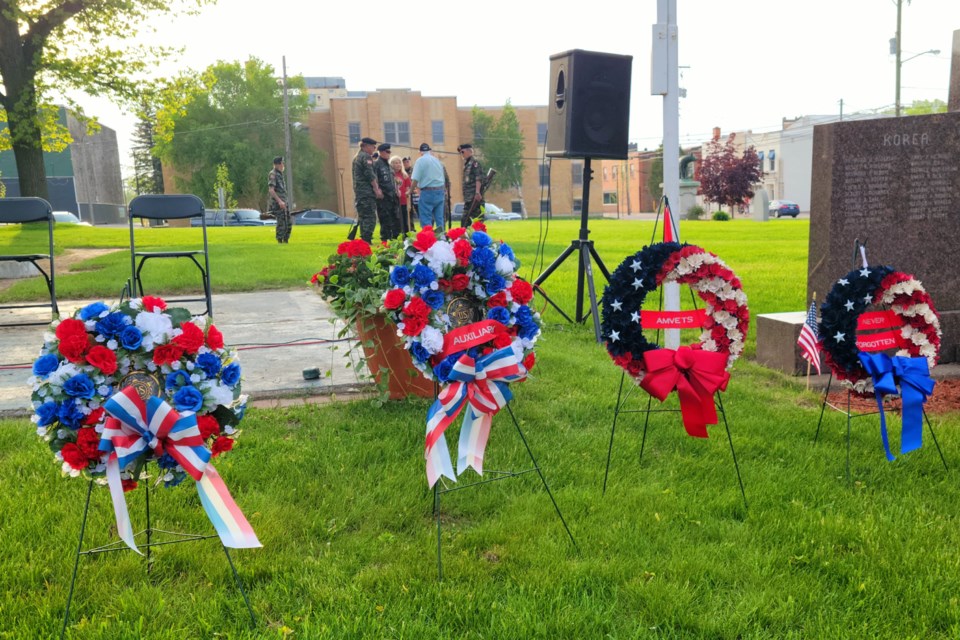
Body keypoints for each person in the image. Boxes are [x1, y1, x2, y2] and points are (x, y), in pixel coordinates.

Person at [350, 137, 382, 243]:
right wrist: (376, 189)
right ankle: (367, 238)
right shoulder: (366, 157)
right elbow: (370, 175)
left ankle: (364, 238)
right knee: (370, 217)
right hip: (366, 192)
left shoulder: (357, 157)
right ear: (366, 146)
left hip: (359, 192)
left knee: (363, 217)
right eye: (373, 147)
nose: (374, 149)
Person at [410, 143, 445, 229]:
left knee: (426, 218)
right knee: (439, 218)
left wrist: (410, 191)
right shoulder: (437, 160)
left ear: (420, 152)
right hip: (440, 191)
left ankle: (428, 238)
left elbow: (415, 179)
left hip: (428, 192)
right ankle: (442, 239)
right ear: (429, 151)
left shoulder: (420, 161)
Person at [375, 143, 400, 240]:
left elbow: (393, 179)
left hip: (392, 196)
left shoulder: (389, 166)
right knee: (385, 220)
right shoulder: (376, 164)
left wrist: (397, 189)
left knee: (395, 220)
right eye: (387, 151)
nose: (389, 153)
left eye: (390, 152)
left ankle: (394, 239)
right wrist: (377, 190)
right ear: (381, 152)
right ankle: (385, 240)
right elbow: (374, 178)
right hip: (383, 197)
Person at [458, 143, 484, 228]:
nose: (461, 154)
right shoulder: (467, 164)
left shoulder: (474, 163)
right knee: (465, 222)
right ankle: (466, 240)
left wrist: (477, 192)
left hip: (475, 198)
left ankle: (478, 240)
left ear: (470, 151)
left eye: (462, 152)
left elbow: (478, 178)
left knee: (477, 223)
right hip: (468, 199)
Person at [267, 155, 291, 244]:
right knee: (282, 223)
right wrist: (279, 201)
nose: (283, 164)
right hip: (278, 204)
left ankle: (286, 241)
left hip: (284, 203)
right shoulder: (273, 174)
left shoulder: (280, 174)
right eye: (282, 163)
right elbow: (271, 190)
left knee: (288, 223)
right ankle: (280, 241)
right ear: (278, 164)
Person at [390, 155, 412, 236]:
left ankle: (406, 235)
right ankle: (396, 235)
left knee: (405, 220)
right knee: (395, 220)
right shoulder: (390, 175)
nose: (398, 164)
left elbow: (408, 188)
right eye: (396, 163)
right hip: (393, 201)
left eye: (399, 163)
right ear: (392, 164)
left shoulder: (404, 175)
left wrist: (408, 201)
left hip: (403, 201)